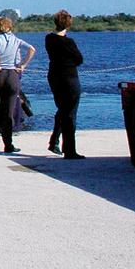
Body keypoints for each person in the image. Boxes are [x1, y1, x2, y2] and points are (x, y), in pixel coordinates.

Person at [0, 17, 35, 154]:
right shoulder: (16, 40)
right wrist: (23, 64)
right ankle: (8, 144)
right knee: (9, 111)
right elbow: (31, 49)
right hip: (13, 73)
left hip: (0, 74)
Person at [45, 9, 85, 159]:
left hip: (54, 77)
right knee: (70, 113)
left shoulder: (49, 38)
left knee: (62, 109)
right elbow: (79, 59)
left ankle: (54, 141)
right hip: (69, 78)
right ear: (68, 24)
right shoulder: (68, 42)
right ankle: (69, 149)